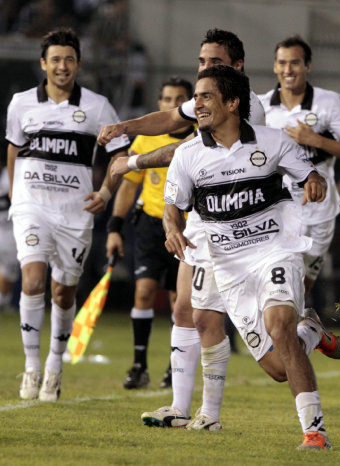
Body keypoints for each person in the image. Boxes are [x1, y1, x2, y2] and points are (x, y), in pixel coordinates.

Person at [102, 29, 340, 432]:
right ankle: (192, 409)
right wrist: (126, 127)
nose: (203, 70)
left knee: (231, 320)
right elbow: (171, 126)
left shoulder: (246, 112)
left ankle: (224, 415)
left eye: (211, 63)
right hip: (211, 227)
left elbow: (181, 149)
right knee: (196, 316)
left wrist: (133, 162)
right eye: (200, 62)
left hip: (259, 239)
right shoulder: (204, 109)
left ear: (235, 70)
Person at [161, 64, 333, 450]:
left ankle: (315, 432)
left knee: (279, 326)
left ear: (233, 102)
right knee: (276, 367)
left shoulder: (274, 142)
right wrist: (171, 229)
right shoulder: (188, 155)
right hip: (229, 267)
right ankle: (313, 330)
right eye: (196, 97)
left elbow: (308, 175)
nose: (197, 105)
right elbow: (172, 207)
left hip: (275, 250)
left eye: (206, 97)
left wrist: (314, 181)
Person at [6, 27, 130, 402]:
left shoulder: (97, 106)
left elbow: (120, 157)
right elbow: (13, 151)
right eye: (55, 59)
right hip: (32, 207)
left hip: (75, 213)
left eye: (69, 59)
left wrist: (107, 191)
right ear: (43, 64)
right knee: (32, 281)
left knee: (63, 292)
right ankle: (31, 366)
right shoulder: (21, 103)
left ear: (78, 64)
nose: (62, 66)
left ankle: (54, 368)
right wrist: (16, 198)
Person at [259, 35, 340, 302]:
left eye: (295, 63)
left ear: (307, 66)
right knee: (277, 292)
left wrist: (315, 140)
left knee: (300, 293)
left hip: (319, 213)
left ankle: (309, 335)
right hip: (277, 211)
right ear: (274, 66)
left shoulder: (328, 102)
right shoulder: (261, 106)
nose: (288, 70)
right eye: (282, 63)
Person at [106, 76, 195, 389]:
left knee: (179, 302)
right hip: (149, 225)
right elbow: (129, 187)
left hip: (187, 228)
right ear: (160, 104)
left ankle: (175, 369)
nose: (173, 105)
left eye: (179, 99)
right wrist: (114, 226)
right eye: (168, 99)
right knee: (143, 291)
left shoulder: (201, 138)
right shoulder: (145, 140)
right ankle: (139, 365)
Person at [0, 153, 19, 312]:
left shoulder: (9, 174)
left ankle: (3, 301)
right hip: (7, 229)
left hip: (9, 228)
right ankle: (3, 302)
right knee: (7, 269)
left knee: (9, 270)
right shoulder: (9, 175)